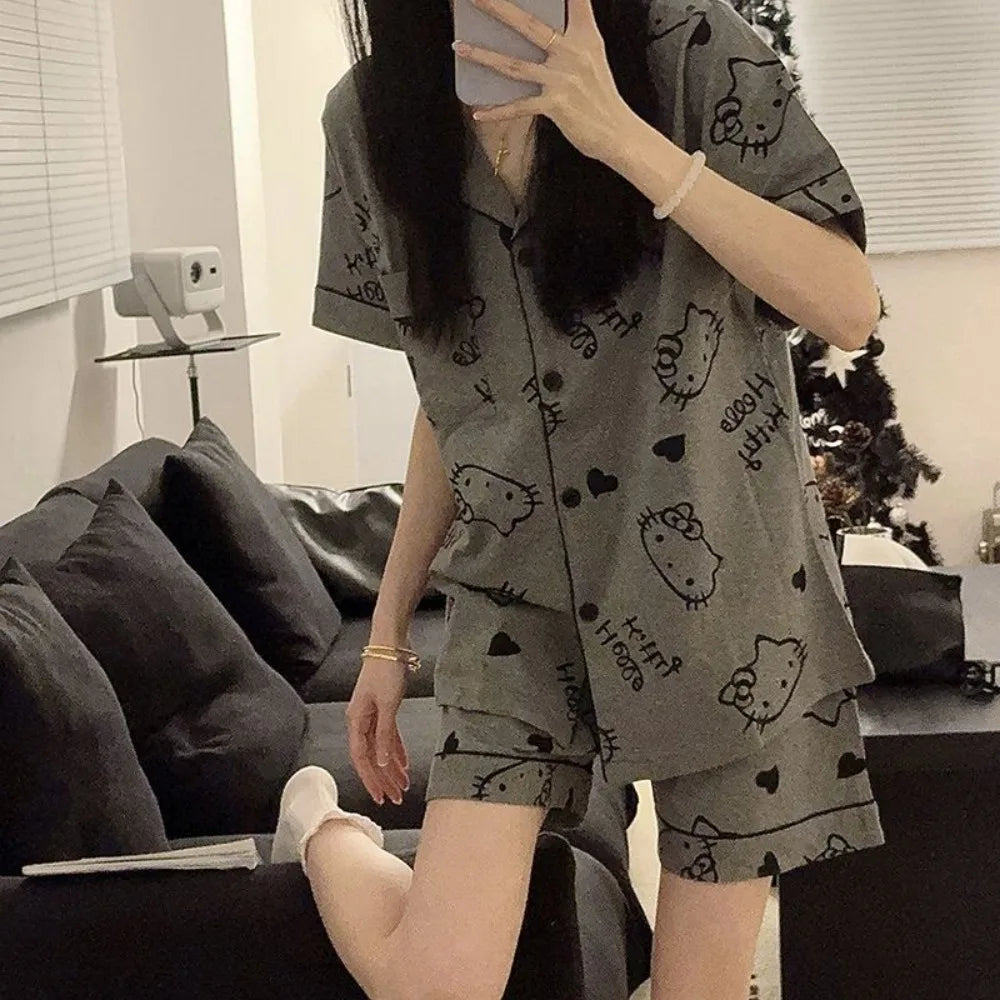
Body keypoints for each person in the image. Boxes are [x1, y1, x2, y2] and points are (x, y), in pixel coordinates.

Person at [271, 1, 888, 997]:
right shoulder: (373, 118)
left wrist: (622, 137)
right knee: (436, 986)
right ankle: (321, 829)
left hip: (724, 594)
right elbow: (454, 396)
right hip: (514, 599)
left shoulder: (689, 47)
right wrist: (386, 634)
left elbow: (849, 304)